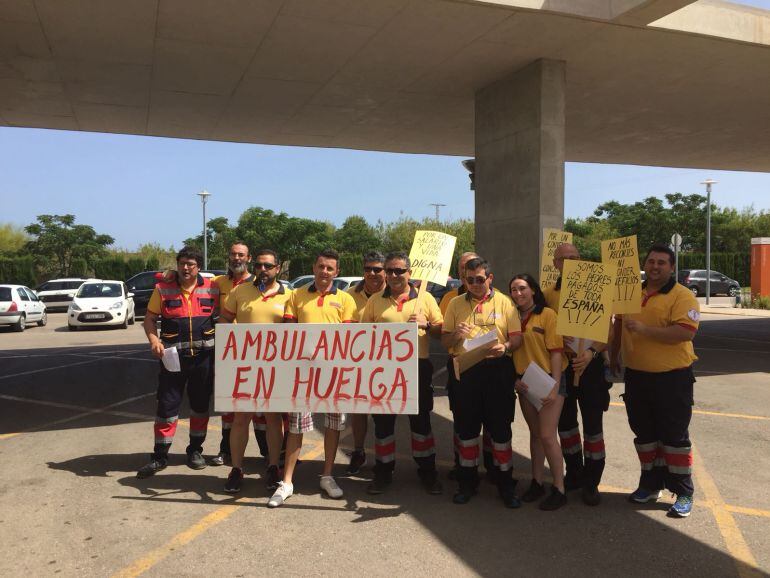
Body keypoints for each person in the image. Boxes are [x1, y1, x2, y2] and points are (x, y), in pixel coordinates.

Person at [612, 244, 699, 518]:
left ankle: (684, 491)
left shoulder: (682, 295)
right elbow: (617, 326)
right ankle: (650, 484)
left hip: (672, 379)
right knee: (645, 436)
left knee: (674, 437)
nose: (655, 266)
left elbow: (686, 332)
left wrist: (646, 330)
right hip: (637, 377)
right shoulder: (631, 293)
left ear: (671, 267)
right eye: (651, 261)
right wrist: (613, 356)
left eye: (662, 262)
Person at [268, 249, 357, 508]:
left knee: (333, 425)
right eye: (321, 267)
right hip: (302, 373)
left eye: (330, 268)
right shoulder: (296, 296)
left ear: (336, 272)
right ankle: (287, 481)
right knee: (296, 426)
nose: (325, 272)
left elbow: (348, 339)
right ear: (314, 267)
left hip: (334, 373)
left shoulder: (346, 300)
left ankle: (327, 476)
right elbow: (288, 333)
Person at [360, 251, 444, 495]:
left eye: (400, 271)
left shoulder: (425, 299)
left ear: (409, 273)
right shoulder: (375, 300)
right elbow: (363, 336)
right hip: (384, 371)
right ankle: (383, 472)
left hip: (418, 369)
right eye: (390, 271)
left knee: (421, 424)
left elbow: (441, 331)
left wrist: (426, 325)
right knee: (383, 425)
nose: (394, 275)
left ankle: (427, 472)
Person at [442, 257, 522, 508]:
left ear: (490, 278)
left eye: (480, 279)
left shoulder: (505, 302)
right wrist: (456, 335)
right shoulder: (455, 303)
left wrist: (505, 346)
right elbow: (445, 341)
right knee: (466, 431)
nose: (475, 284)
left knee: (500, 431)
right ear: (463, 279)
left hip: (497, 371)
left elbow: (517, 339)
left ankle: (505, 483)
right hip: (465, 373)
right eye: (469, 280)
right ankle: (467, 483)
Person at [137, 246, 219, 478]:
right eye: (182, 263)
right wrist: (153, 340)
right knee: (166, 407)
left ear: (198, 267)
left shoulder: (213, 287)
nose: (185, 268)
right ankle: (160, 456)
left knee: (201, 407)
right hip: (172, 360)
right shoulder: (163, 289)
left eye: (190, 264)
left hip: (203, 360)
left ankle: (195, 451)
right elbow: (150, 319)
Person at [543, 242, 612, 506]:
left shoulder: (598, 288)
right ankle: (575, 472)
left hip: (590, 366)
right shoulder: (548, 294)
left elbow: (609, 331)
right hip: (562, 368)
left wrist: (593, 351)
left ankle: (592, 482)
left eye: (576, 256)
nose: (572, 261)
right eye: (565, 258)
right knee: (567, 425)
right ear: (555, 264)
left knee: (593, 427)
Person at [219, 249, 292, 494]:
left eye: (268, 266)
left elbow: (294, 331)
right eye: (259, 265)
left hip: (276, 367)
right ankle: (237, 469)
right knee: (241, 418)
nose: (263, 270)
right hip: (245, 366)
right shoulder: (240, 291)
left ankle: (273, 466)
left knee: (273, 418)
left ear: (277, 268)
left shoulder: (289, 295)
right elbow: (225, 321)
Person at [509, 273, 568, 510]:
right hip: (524, 382)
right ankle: (537, 482)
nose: (518, 293)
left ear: (533, 290)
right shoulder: (511, 317)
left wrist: (554, 386)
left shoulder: (547, 315)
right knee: (535, 435)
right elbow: (509, 353)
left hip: (549, 380)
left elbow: (556, 351)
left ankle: (559, 488)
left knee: (547, 436)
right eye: (513, 289)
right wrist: (515, 380)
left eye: (522, 288)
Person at [209, 242, 269, 467]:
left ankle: (268, 452)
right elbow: (192, 280)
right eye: (233, 254)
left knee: (263, 407)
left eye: (241, 254)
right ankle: (226, 451)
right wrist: (171, 274)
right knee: (230, 406)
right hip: (228, 354)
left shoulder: (257, 283)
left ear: (249, 258)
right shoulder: (218, 282)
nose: (237, 258)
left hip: (257, 353)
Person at [438, 252, 494, 478]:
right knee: (461, 419)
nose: (467, 274)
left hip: (491, 370)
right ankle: (460, 465)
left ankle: (492, 465)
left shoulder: (500, 299)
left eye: (473, 272)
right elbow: (443, 335)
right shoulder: (451, 299)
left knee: (492, 421)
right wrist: (455, 336)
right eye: (464, 270)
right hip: (461, 368)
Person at [345, 251, 387, 475]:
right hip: (358, 364)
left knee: (384, 415)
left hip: (389, 365)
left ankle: (384, 460)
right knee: (358, 411)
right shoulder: (348, 295)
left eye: (377, 269)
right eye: (368, 269)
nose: (372, 273)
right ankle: (359, 451)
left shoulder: (395, 294)